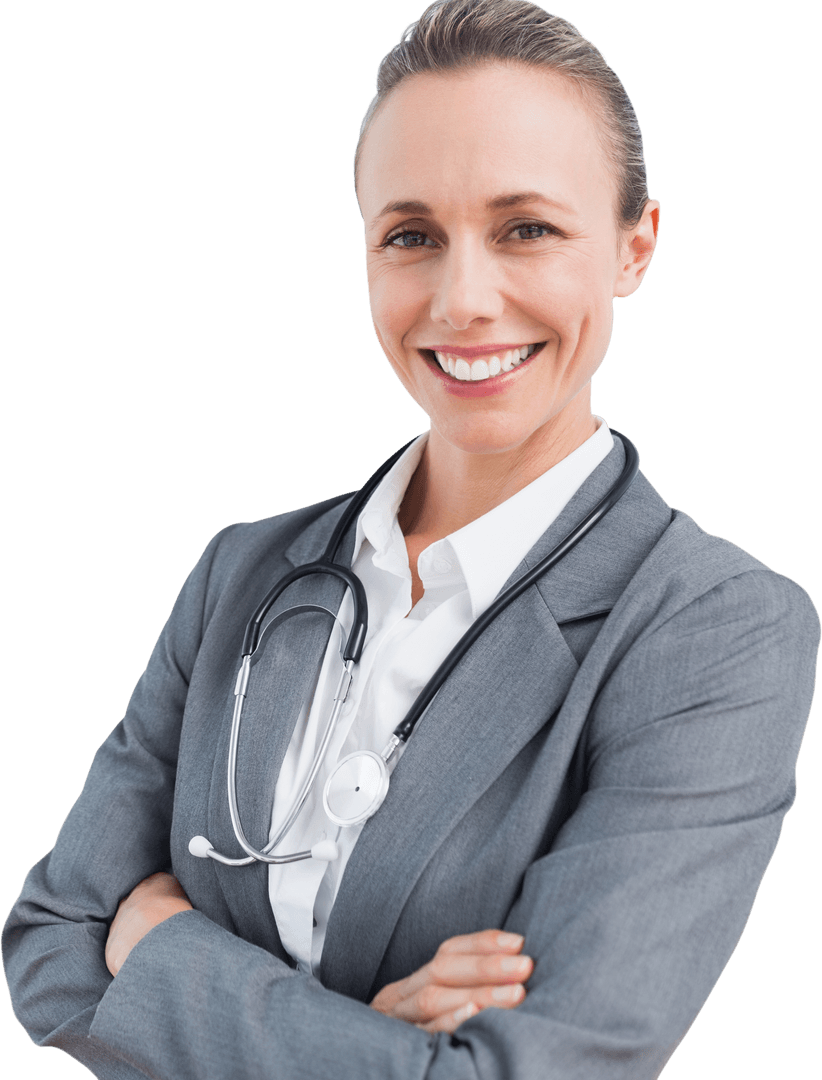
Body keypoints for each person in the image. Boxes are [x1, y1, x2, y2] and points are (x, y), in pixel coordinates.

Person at [3, 1, 819, 1077]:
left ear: (635, 246)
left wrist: (162, 950)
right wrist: (377, 1035)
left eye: (527, 228)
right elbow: (49, 953)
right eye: (411, 236)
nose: (462, 298)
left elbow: (540, 1074)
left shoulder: (717, 632)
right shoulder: (241, 573)